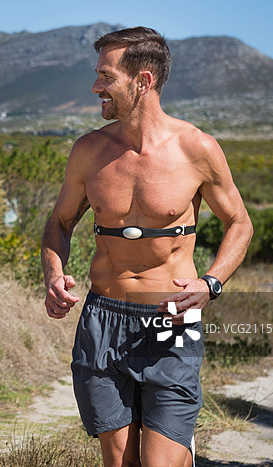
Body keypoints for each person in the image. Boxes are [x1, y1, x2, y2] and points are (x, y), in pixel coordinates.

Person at [41, 26, 253, 467]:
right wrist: (53, 275)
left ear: (143, 81)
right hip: (103, 318)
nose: (96, 86)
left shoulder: (197, 148)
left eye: (105, 76)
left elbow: (239, 223)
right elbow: (60, 222)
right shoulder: (89, 151)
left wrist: (210, 283)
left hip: (169, 319)